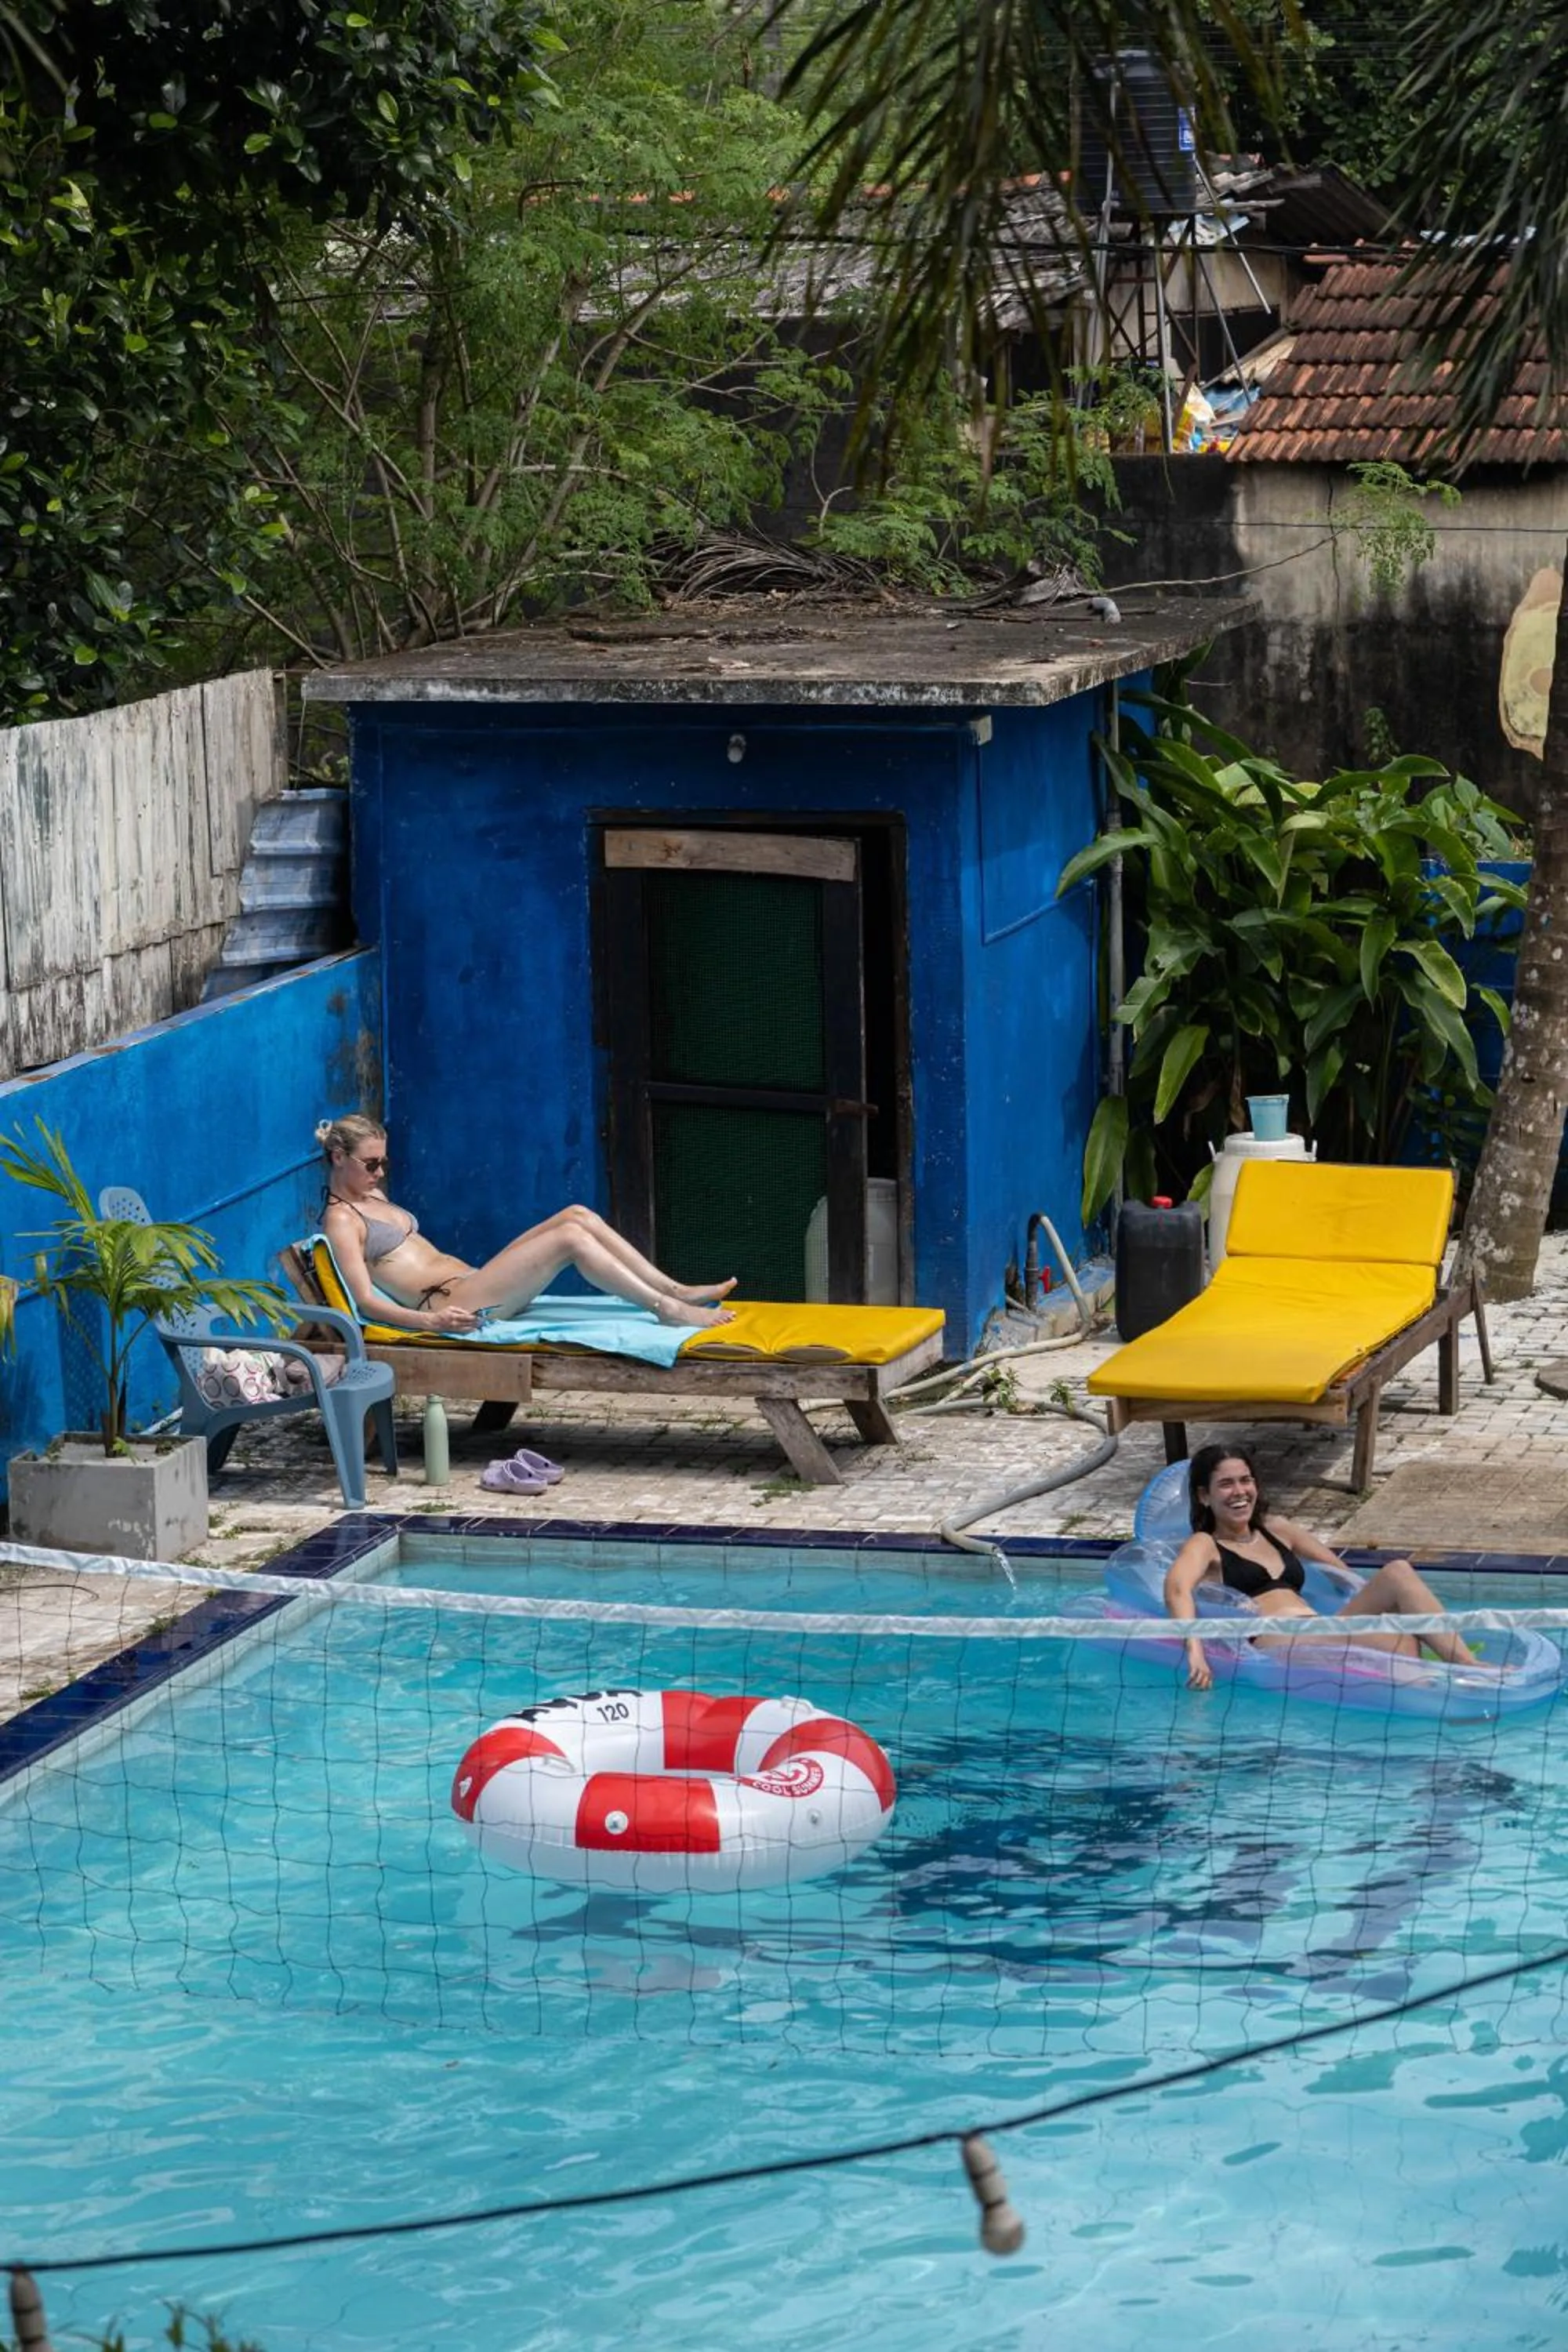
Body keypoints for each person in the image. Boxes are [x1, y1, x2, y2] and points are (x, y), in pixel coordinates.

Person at [314, 1114, 737, 1335]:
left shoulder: (371, 1196)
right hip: (451, 1304)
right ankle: (665, 1309)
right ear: (338, 1158)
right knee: (570, 1239)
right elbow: (366, 1301)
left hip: (473, 1281)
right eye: (371, 1164)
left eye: (384, 1161)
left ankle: (674, 1290)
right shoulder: (341, 1220)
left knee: (576, 1214)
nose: (381, 1172)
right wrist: (432, 1324)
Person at [1166, 1442, 1478, 1692]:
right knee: (1398, 1641)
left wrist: (1389, 1612)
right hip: (1276, 1641)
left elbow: (1342, 1574)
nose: (1239, 1492)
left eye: (1246, 1480)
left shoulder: (1278, 1529)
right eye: (1226, 1484)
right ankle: (1439, 1694)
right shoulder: (1205, 1544)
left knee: (1398, 1572)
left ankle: (1467, 1666)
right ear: (1204, 1496)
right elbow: (1177, 1590)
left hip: (1319, 1627)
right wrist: (1195, 1652)